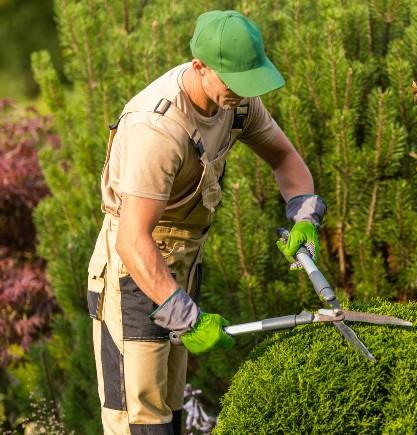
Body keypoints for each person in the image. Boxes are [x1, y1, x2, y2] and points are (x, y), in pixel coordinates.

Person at [85, 10, 326, 434]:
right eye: (235, 81)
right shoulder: (157, 128)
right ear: (200, 67)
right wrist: (186, 317)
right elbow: (131, 240)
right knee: (140, 419)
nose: (244, 92)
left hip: (182, 262)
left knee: (171, 410)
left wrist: (305, 215)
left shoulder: (236, 102)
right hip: (135, 274)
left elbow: (285, 159)